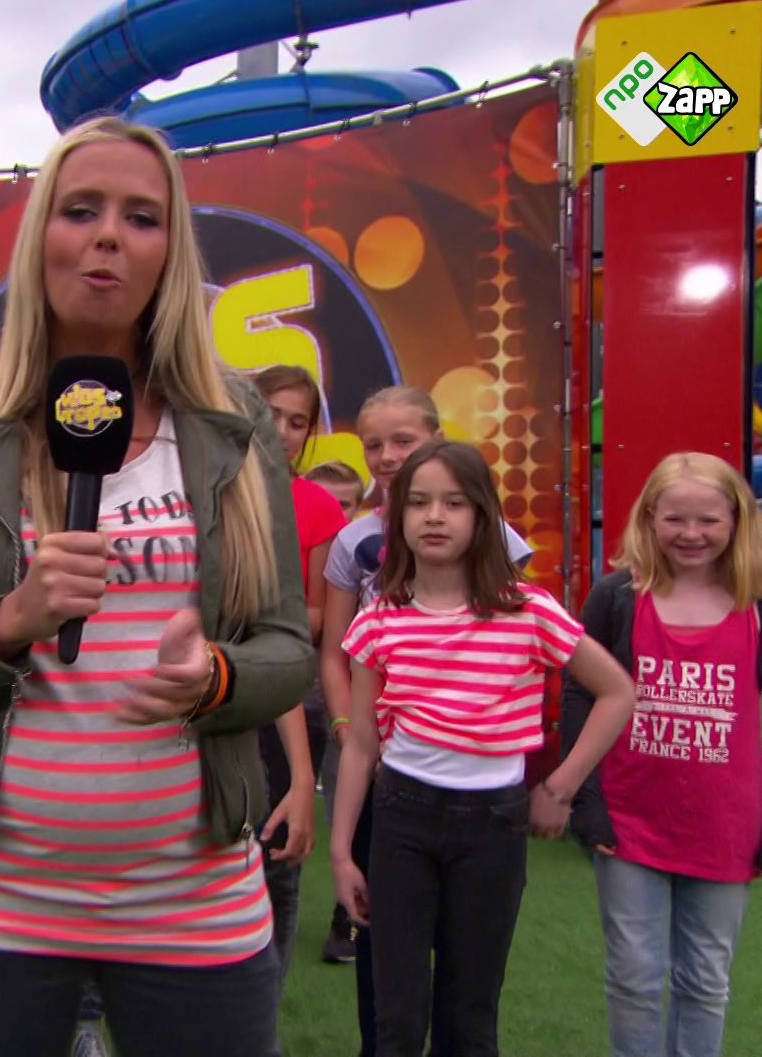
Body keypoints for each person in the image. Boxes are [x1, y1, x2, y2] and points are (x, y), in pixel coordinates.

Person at [0, 116, 312, 1057]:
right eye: (81, 210)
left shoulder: (233, 418)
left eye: (142, 218)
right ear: (41, 236)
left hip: (195, 900)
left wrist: (216, 679)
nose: (109, 236)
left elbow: (288, 652)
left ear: (169, 253)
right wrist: (8, 622)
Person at [329, 441, 636, 1057]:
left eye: (454, 503)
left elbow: (617, 692)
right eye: (418, 503)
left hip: (492, 824)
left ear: (483, 516)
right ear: (397, 517)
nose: (434, 517)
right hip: (402, 819)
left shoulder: (528, 611)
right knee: (396, 1020)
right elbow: (361, 743)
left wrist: (560, 787)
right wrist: (341, 851)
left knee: (470, 1017)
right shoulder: (379, 619)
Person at [563, 452, 762, 1057]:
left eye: (709, 520)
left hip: (726, 827)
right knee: (633, 977)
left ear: (737, 520)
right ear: (650, 517)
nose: (691, 534)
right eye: (675, 518)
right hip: (630, 820)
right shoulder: (617, 598)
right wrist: (585, 801)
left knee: (705, 979)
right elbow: (578, 695)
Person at [316, 384, 534, 1032]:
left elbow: (510, 645)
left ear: (437, 440)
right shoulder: (353, 543)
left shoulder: (494, 537)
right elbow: (335, 653)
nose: (387, 456)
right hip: (377, 760)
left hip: (462, 775)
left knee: (466, 956)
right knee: (383, 932)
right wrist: (352, 731)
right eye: (373, 445)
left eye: (403, 441)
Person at [250, 365, 348, 979]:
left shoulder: (317, 505)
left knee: (277, 861)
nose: (282, 431)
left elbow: (318, 617)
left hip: (285, 691)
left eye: (297, 422)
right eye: (271, 413)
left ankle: (264, 1008)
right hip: (201, 694)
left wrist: (248, 621)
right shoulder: (201, 490)